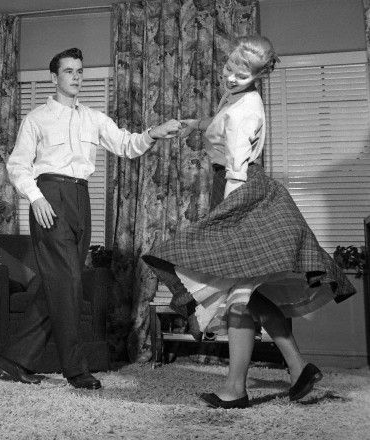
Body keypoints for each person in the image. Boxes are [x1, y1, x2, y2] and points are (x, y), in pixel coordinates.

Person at [142, 35, 356, 408]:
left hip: (241, 192)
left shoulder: (246, 110)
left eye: (242, 74)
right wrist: (196, 123)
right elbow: (222, 124)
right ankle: (296, 368)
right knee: (247, 295)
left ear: (260, 75)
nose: (230, 77)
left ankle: (238, 388)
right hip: (235, 187)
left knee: (239, 297)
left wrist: (229, 223)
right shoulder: (236, 98)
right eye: (229, 68)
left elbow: (238, 169)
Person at [0, 47, 182, 389]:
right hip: (49, 196)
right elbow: (18, 165)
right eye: (69, 71)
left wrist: (154, 133)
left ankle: (12, 360)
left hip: (81, 197)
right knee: (69, 284)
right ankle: (75, 369)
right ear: (54, 77)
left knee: (60, 284)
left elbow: (127, 144)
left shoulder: (93, 118)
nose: (76, 76)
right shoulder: (36, 118)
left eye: (80, 71)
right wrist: (35, 198)